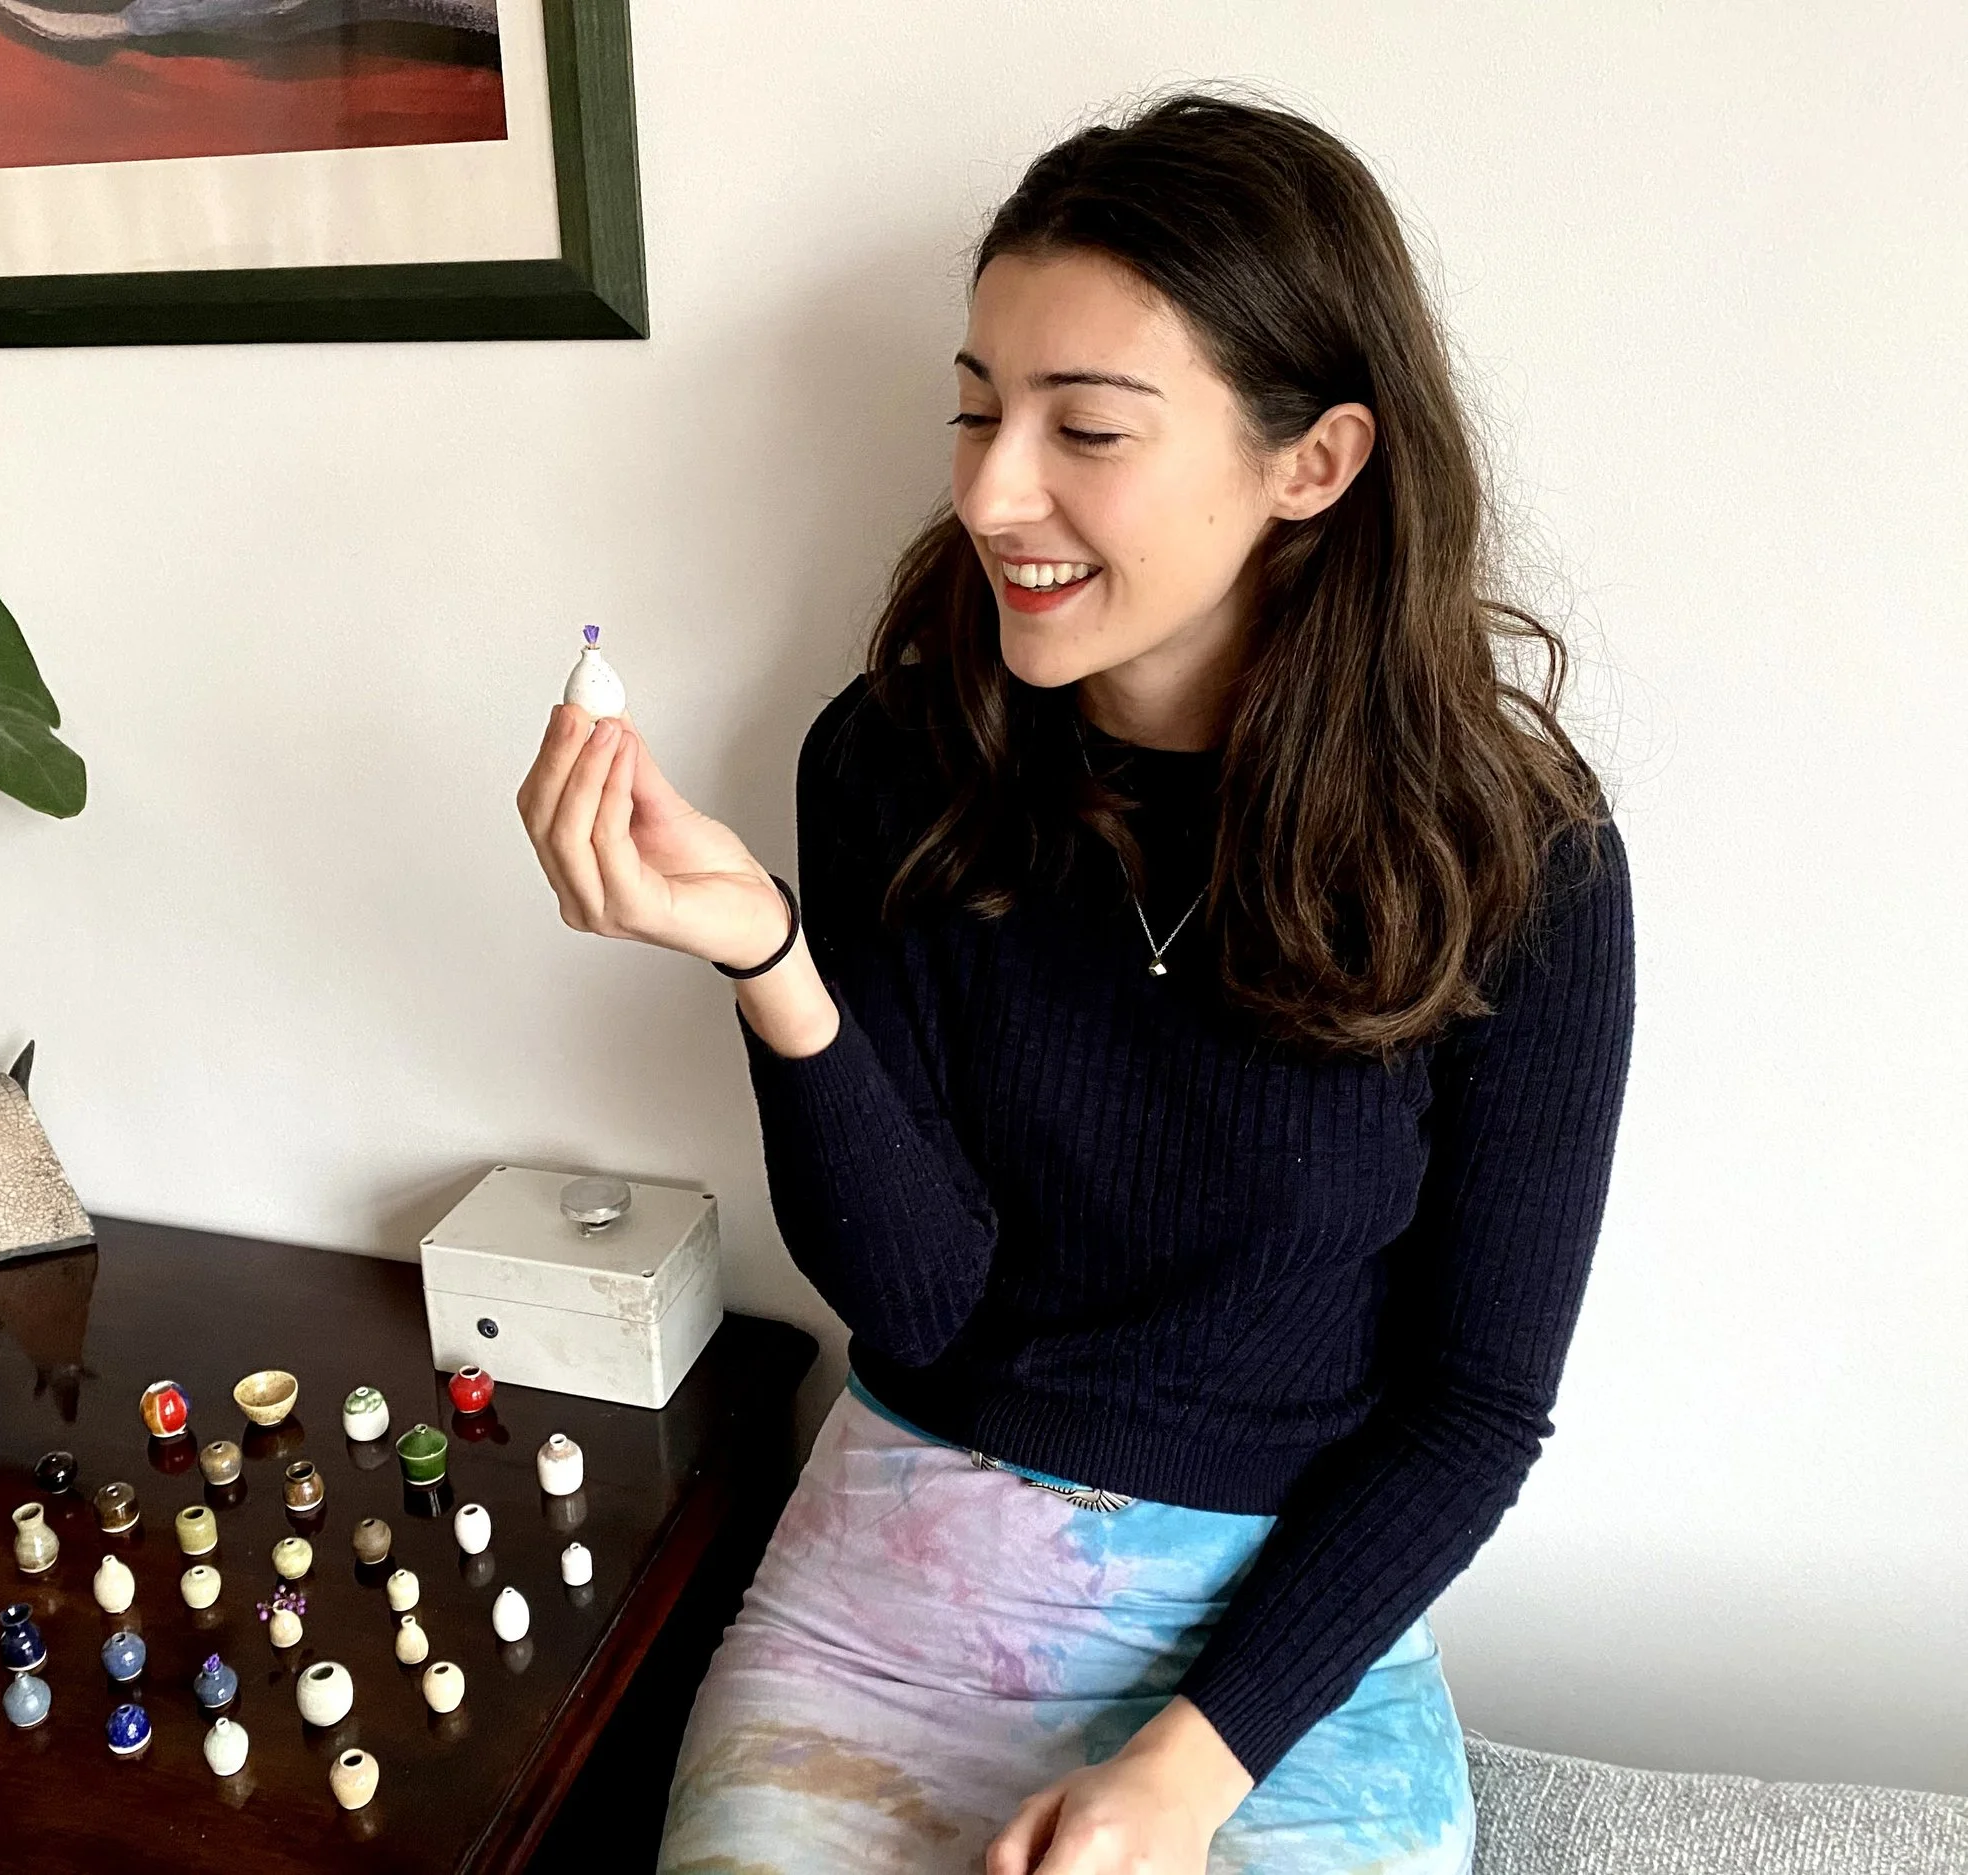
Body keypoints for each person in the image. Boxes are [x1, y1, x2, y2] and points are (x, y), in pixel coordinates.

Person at [516, 84, 1635, 1875]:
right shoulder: (894, 760)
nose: (986, 490)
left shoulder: (1518, 860)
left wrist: (1190, 1773)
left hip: (1277, 1653)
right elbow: (927, 1306)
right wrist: (768, 962)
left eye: (1083, 428)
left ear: (1315, 463)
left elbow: (1474, 1410)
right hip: (896, 1585)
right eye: (972, 410)